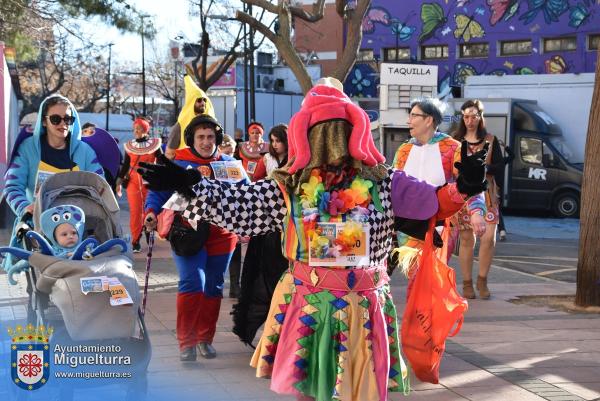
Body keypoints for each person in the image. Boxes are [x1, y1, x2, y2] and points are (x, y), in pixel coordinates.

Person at [139, 78, 487, 400]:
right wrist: (190, 183)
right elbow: (240, 204)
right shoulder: (290, 186)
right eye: (323, 131)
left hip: (362, 308)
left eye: (338, 130)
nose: (331, 139)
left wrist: (465, 188)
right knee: (308, 390)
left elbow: (431, 203)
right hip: (311, 303)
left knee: (361, 390)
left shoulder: (383, 180)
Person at [143, 114, 242, 362]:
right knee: (192, 282)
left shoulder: (230, 163)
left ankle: (204, 339)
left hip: (222, 234)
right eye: (201, 137)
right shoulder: (178, 161)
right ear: (192, 139)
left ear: (217, 138)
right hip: (187, 232)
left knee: (214, 286)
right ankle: (186, 344)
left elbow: (247, 194)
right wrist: (150, 212)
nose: (206, 142)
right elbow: (158, 191)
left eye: (210, 137)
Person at [2, 94, 104, 272]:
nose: (63, 124)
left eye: (68, 119)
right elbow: (12, 185)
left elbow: (100, 185)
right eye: (56, 119)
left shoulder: (85, 152)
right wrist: (25, 207)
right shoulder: (28, 148)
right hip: (38, 227)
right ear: (44, 121)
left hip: (77, 229)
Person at [392, 98, 486, 278]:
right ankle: (420, 306)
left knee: (432, 273)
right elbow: (393, 186)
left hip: (441, 223)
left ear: (429, 120)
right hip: (408, 224)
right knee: (415, 275)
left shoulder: (452, 148)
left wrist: (477, 211)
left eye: (413, 115)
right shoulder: (404, 150)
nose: (408, 121)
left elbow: (471, 180)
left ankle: (427, 307)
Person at [231, 124, 290, 345]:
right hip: (267, 227)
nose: (275, 145)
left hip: (287, 228)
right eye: (273, 141)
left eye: (279, 140)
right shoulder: (267, 160)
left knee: (281, 280)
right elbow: (254, 183)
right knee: (263, 276)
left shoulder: (297, 162)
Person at [452, 99, 504, 300]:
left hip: (487, 194)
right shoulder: (455, 140)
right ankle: (466, 283)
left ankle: (482, 280)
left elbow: (499, 166)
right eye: (466, 116)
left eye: (474, 116)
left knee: (488, 238)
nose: (470, 120)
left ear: (481, 117)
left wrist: (481, 168)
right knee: (466, 240)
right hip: (463, 195)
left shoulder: (491, 140)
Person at [116, 117, 161, 253]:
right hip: (133, 182)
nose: (136, 131)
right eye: (135, 129)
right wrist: (118, 182)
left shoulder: (155, 144)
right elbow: (125, 166)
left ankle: (149, 236)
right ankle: (135, 241)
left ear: (146, 130)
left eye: (139, 129)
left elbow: (161, 163)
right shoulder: (129, 146)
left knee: (150, 210)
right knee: (135, 212)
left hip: (150, 181)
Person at [165, 75, 215, 159]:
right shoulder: (180, 126)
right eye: (199, 100)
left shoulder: (212, 123)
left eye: (204, 100)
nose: (203, 103)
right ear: (191, 102)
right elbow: (169, 153)